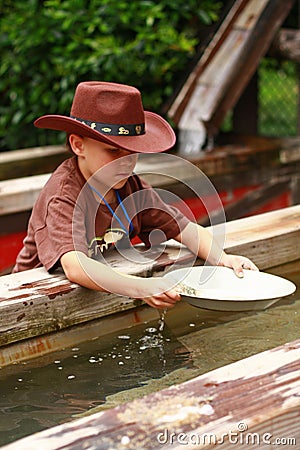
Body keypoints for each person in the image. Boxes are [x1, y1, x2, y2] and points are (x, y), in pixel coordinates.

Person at [13, 81, 258, 309]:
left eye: (132, 153)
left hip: (100, 292)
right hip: (31, 300)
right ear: (78, 145)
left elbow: (185, 229)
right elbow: (75, 266)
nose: (126, 163)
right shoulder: (64, 195)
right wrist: (141, 287)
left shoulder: (133, 187)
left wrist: (223, 259)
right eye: (113, 150)